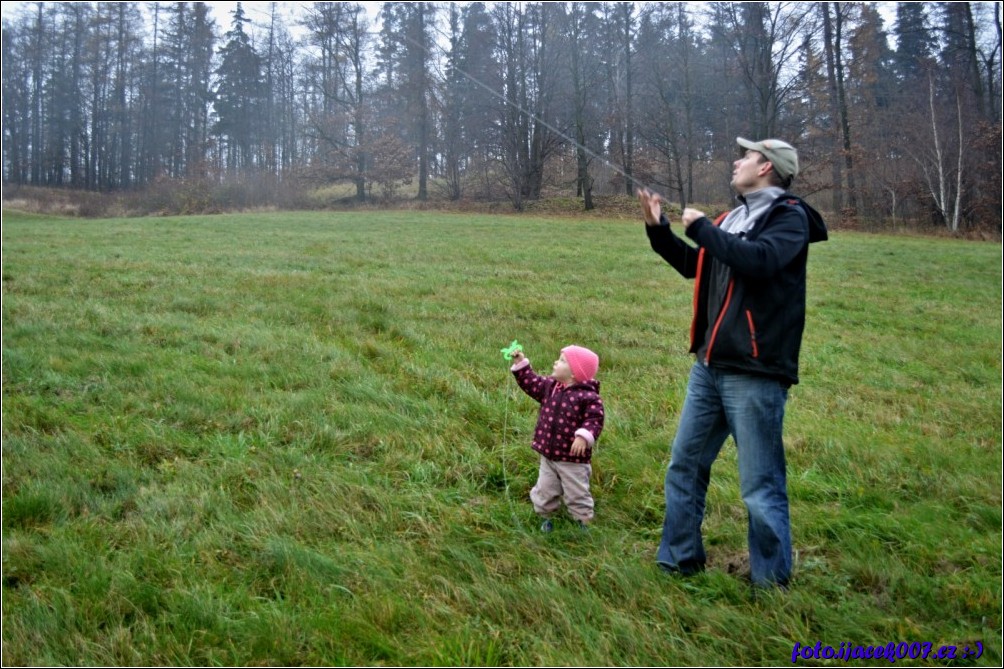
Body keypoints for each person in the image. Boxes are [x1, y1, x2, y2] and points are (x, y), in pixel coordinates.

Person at [637, 137, 828, 587]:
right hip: (710, 366)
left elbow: (760, 261)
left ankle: (770, 582)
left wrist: (704, 229)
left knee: (759, 486)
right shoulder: (731, 217)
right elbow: (695, 265)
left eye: (747, 156)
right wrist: (659, 229)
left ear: (767, 168)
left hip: (756, 371)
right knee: (684, 466)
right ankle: (679, 560)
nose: (737, 161)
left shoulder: (789, 217)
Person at [509, 344, 605, 532]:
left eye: (562, 361)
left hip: (573, 460)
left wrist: (584, 436)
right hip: (549, 454)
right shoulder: (550, 388)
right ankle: (546, 517)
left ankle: (582, 520)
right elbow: (532, 382)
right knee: (545, 489)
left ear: (575, 373)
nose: (556, 362)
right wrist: (521, 364)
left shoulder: (589, 397)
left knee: (576, 492)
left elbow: (595, 420)